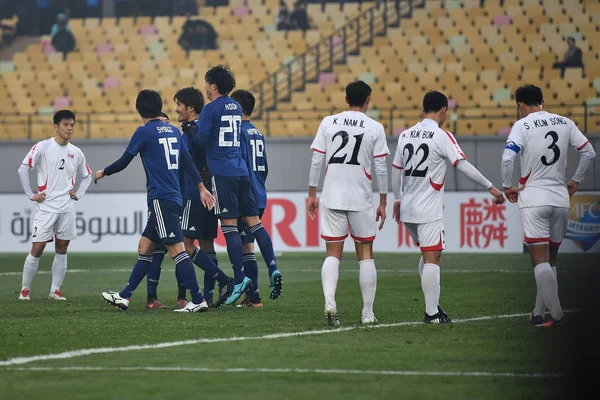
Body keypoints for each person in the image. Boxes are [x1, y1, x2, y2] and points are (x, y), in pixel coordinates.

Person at [95, 89, 215, 313]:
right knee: (145, 246)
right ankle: (124, 296)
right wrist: (201, 188)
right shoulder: (172, 130)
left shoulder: (144, 132)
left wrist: (104, 172)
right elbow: (188, 162)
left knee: (176, 249)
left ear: (139, 108)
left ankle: (198, 299)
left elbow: (124, 161)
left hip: (162, 197)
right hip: (174, 196)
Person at [391, 91, 505, 324]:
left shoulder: (405, 135)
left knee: (427, 255)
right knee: (433, 257)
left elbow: (396, 170)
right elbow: (462, 165)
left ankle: (433, 306)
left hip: (408, 208)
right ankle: (432, 313)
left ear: (423, 111)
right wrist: (490, 187)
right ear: (444, 111)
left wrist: (397, 199)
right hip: (428, 209)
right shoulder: (442, 136)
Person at [501, 84, 596, 327]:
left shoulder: (522, 125)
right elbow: (589, 153)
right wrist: (575, 180)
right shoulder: (565, 122)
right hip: (560, 200)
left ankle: (558, 316)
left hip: (534, 199)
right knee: (551, 259)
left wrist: (507, 185)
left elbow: (508, 157)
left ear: (521, 106)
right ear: (542, 100)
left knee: (539, 261)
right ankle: (538, 313)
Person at [192, 65, 283, 306]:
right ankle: (273, 267)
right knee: (255, 224)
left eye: (206, 82)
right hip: (242, 171)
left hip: (222, 172)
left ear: (213, 85)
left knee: (230, 227)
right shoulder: (235, 106)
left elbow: (200, 140)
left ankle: (241, 277)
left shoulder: (211, 108)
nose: (204, 87)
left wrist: (197, 127)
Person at [307, 80, 389, 327]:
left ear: (345, 99)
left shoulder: (328, 122)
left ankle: (330, 301)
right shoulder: (375, 127)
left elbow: (316, 160)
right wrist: (383, 200)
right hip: (360, 198)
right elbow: (381, 167)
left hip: (332, 196)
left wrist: (312, 194)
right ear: (367, 101)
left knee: (333, 253)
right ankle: (367, 313)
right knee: (365, 255)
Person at [146, 87, 233, 310]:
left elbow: (186, 160)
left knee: (184, 244)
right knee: (206, 244)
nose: (176, 109)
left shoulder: (192, 130)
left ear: (190, 108)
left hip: (193, 194)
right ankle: (211, 296)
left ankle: (223, 281)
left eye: (179, 104)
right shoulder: (200, 129)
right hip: (206, 191)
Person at [17, 109, 92, 301]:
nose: (69, 128)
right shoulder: (43, 147)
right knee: (38, 247)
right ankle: (25, 289)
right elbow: (23, 168)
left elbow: (87, 176)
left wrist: (79, 194)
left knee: (62, 247)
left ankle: (55, 290)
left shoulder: (76, 152)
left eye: (72, 125)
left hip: (66, 207)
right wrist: (31, 194)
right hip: (47, 206)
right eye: (66, 125)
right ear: (56, 126)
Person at [231, 89, 269, 308]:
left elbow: (240, 164)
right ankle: (251, 296)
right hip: (259, 191)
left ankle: (254, 296)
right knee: (248, 245)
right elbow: (265, 167)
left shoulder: (239, 133)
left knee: (244, 245)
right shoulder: (257, 132)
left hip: (245, 194)